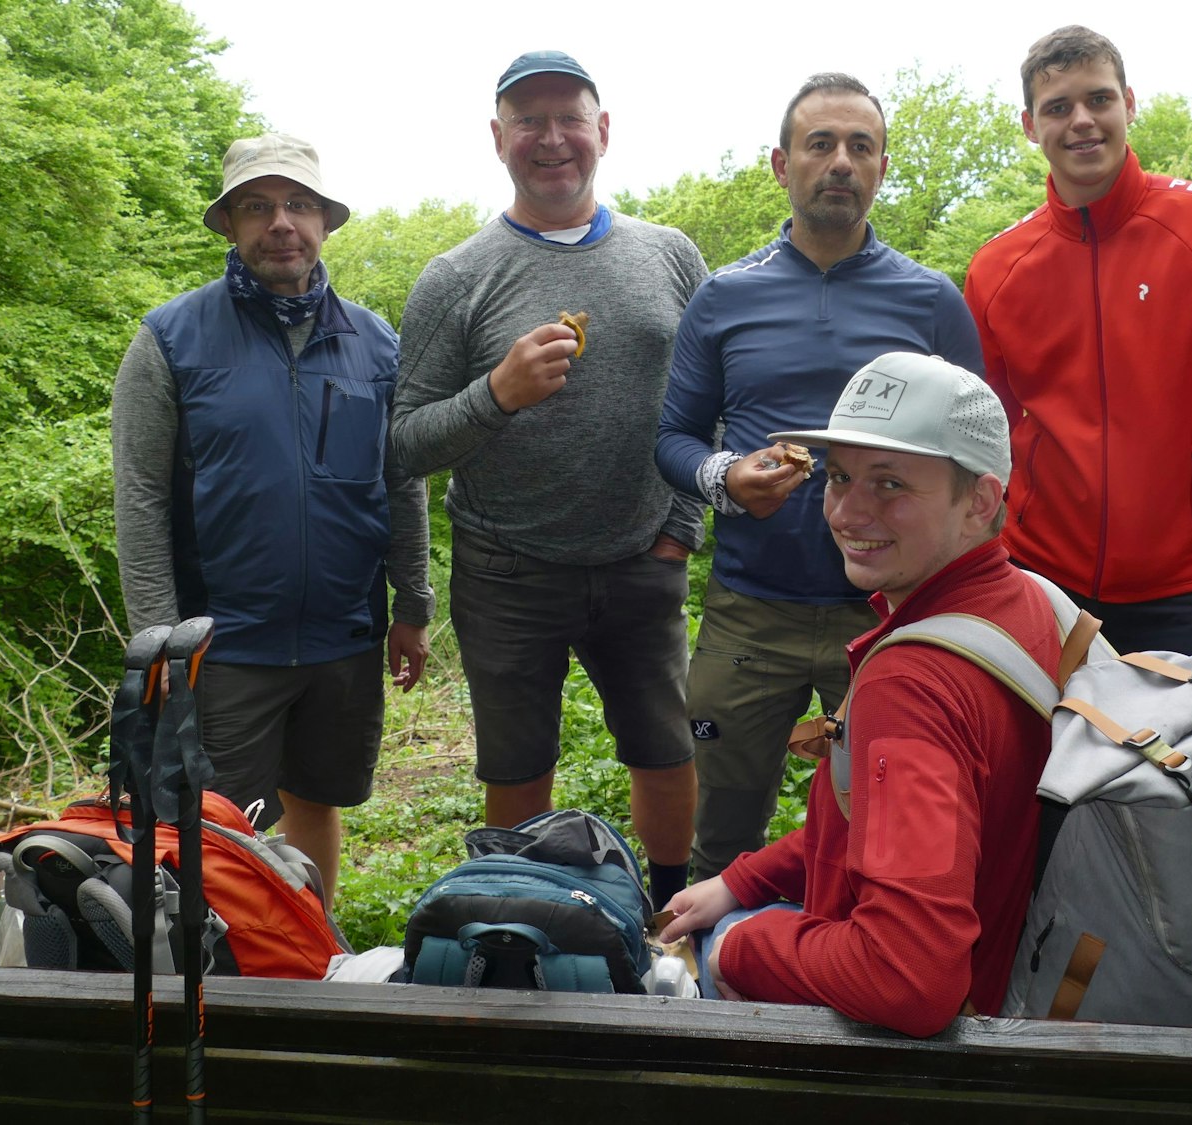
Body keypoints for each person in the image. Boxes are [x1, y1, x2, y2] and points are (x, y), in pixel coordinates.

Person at [659, 352, 1055, 1038]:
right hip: (1025, 963)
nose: (847, 510)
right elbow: (893, 819)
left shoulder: (913, 687)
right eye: (840, 476)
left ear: (980, 502)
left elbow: (907, 980)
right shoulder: (1033, 604)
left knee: (720, 954)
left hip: (947, 1045)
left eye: (891, 483)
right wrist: (744, 881)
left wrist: (733, 946)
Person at [392, 52, 708, 904]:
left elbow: (710, 399)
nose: (552, 137)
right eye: (528, 120)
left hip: (644, 556)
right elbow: (402, 443)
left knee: (667, 747)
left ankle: (666, 908)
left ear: (603, 131)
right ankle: (525, 915)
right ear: (499, 139)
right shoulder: (455, 277)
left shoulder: (671, 256)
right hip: (506, 571)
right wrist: (497, 394)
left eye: (570, 116)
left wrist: (683, 526)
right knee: (518, 764)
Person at [654, 73, 985, 879]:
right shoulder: (725, 296)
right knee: (722, 831)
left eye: (859, 147)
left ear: (880, 167)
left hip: (887, 615)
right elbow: (673, 438)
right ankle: (702, 985)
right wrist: (726, 477)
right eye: (821, 144)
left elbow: (978, 453)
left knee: (885, 835)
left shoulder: (931, 300)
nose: (840, 161)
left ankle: (853, 968)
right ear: (781, 163)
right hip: (747, 613)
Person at [112, 133, 432, 906]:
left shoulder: (377, 343)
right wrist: (159, 640)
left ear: (325, 221)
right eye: (256, 206)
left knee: (318, 802)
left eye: (298, 204)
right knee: (220, 823)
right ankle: (232, 970)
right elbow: (141, 497)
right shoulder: (170, 341)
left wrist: (413, 605)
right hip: (224, 647)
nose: (279, 222)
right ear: (229, 224)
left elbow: (403, 480)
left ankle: (307, 940)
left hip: (344, 638)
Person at [964, 25, 1192, 656]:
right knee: (1044, 756)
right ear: (1031, 126)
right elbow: (988, 433)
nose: (1081, 121)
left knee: (1181, 757)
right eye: (1058, 108)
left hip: (1183, 588)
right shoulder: (996, 266)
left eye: (1099, 99)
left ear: (1130, 104)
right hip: (1039, 581)